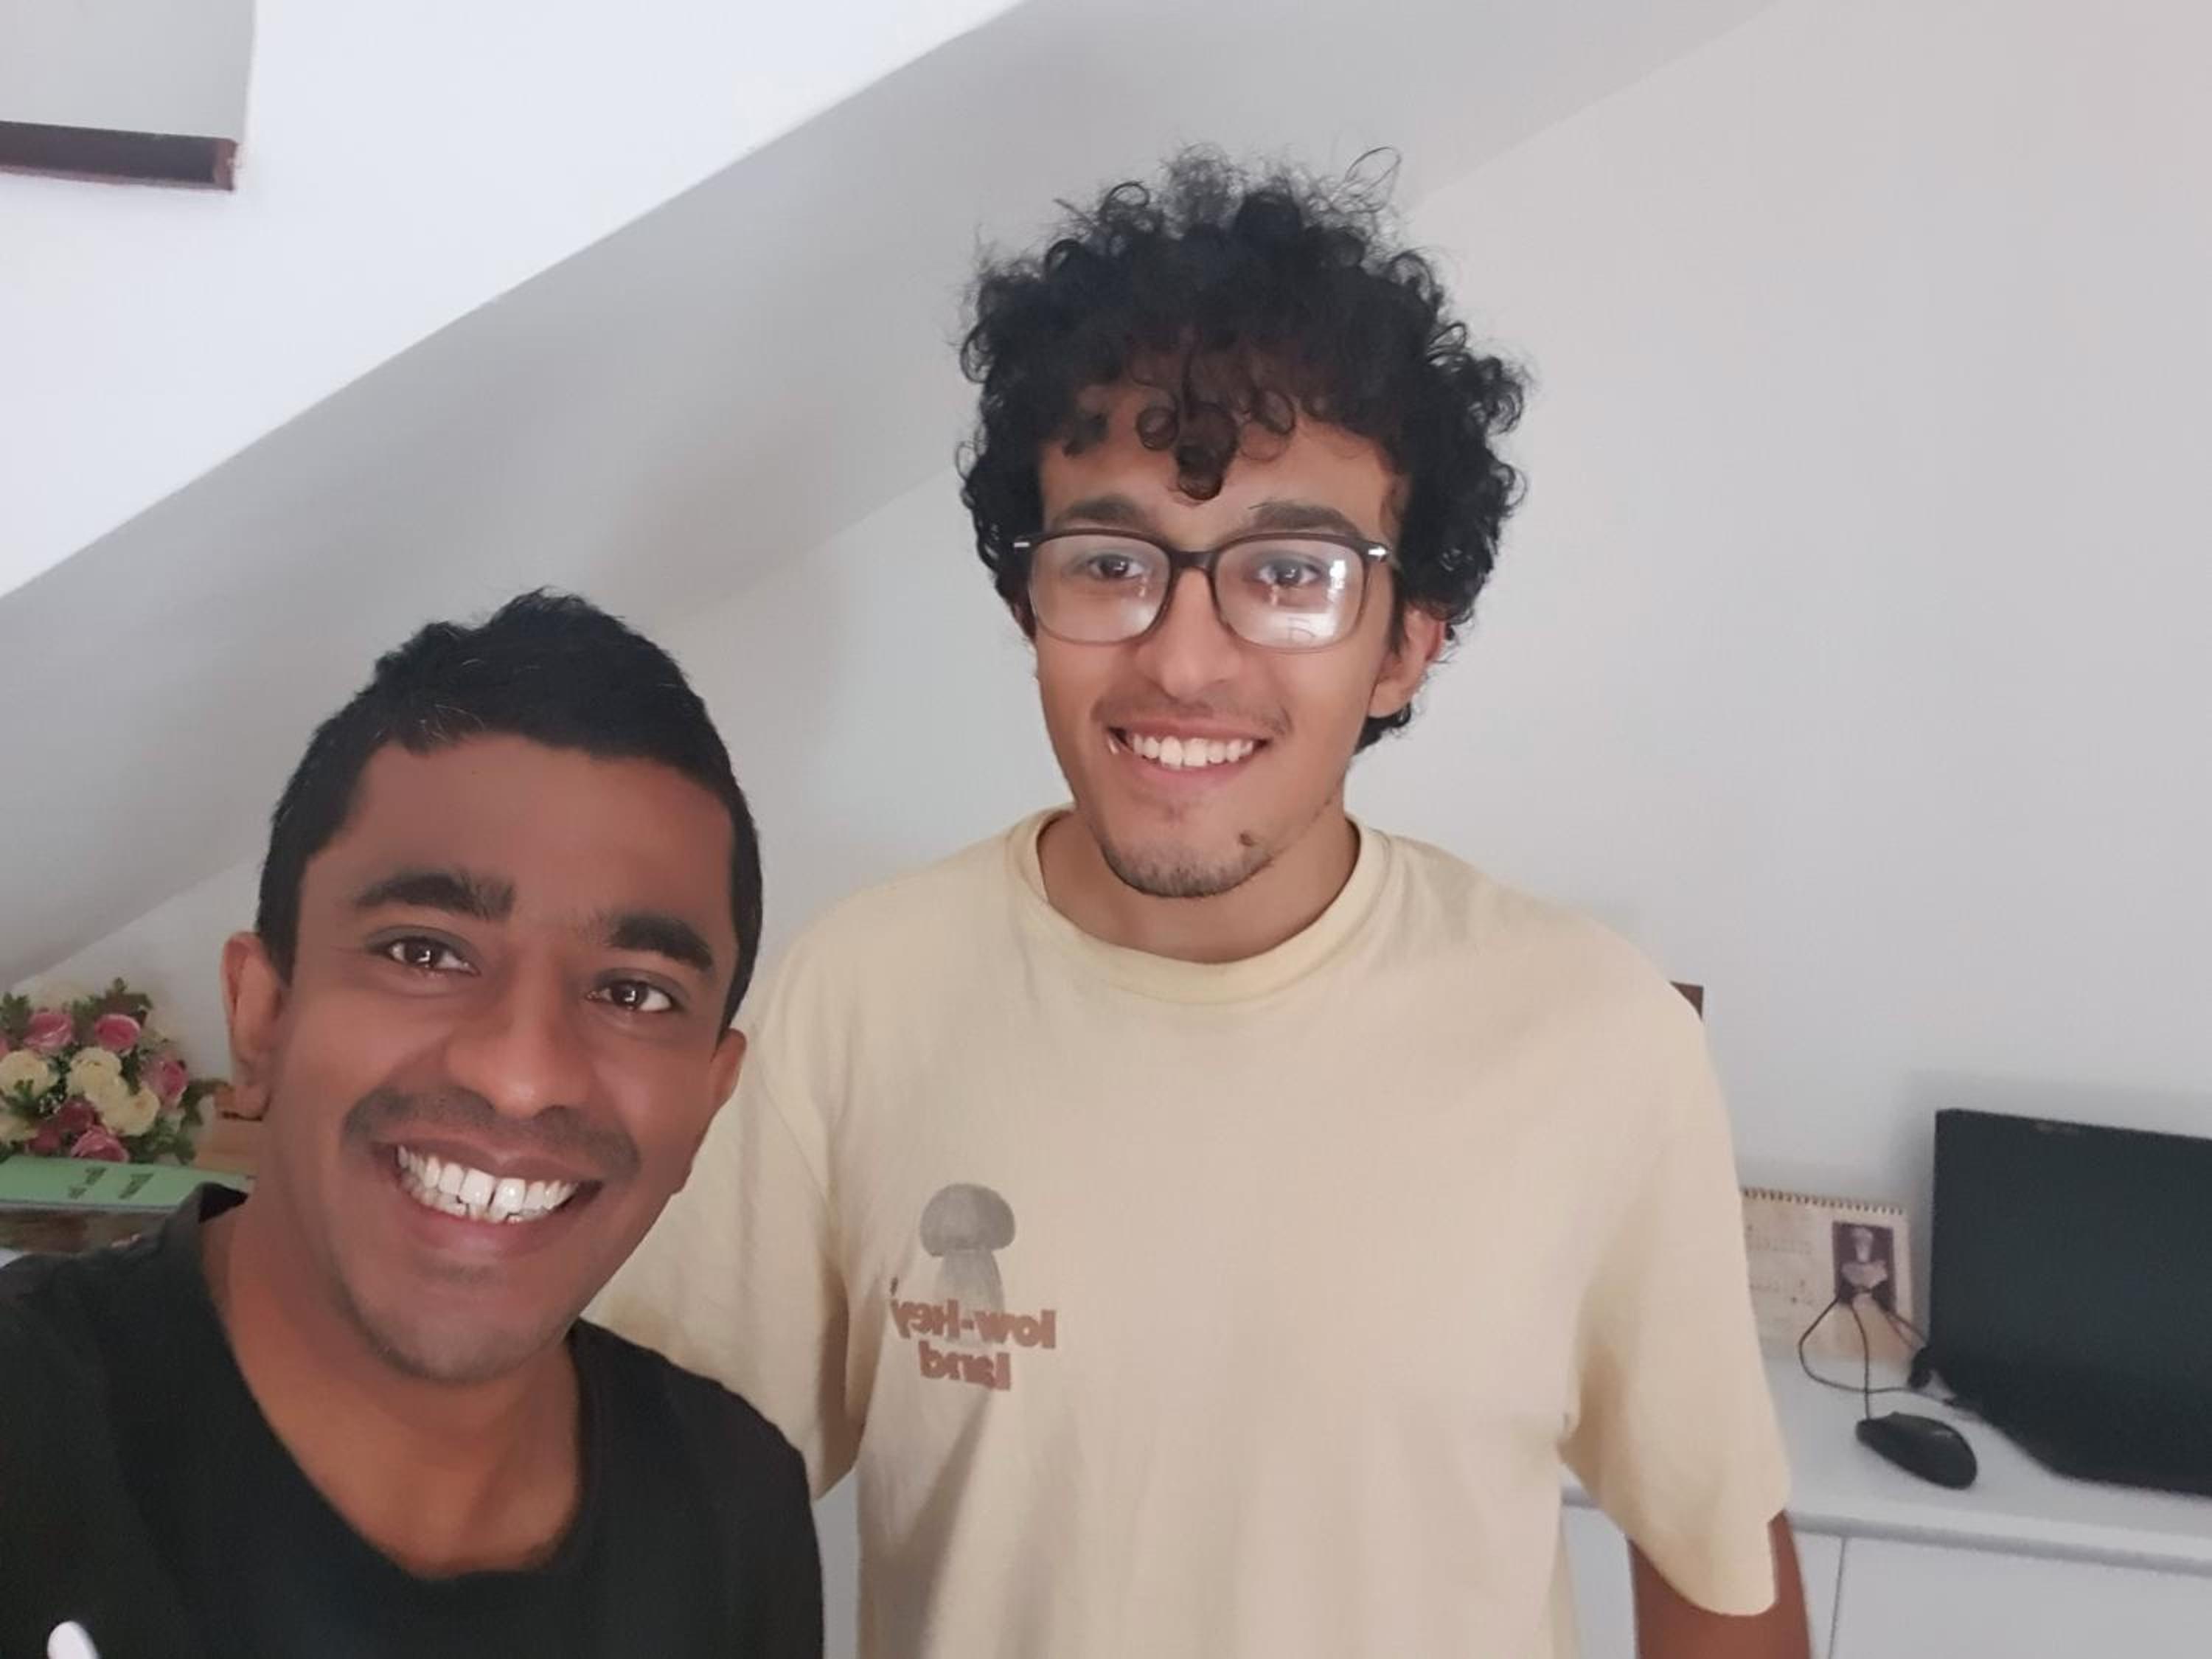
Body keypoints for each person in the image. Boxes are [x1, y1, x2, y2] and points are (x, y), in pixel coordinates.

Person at [602, 155, 1806, 1658]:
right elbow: (652, 1519)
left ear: (1404, 646)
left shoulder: (1598, 1039)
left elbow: (1716, 1563)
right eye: (1111, 563)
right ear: (1029, 604)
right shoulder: (860, 999)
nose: (1182, 659)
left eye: (1291, 573)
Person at [0, 593, 821, 1659]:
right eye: (425, 952)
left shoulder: (736, 1509)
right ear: (263, 1014)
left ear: (711, 1097)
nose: (522, 1077)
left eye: (634, 992)